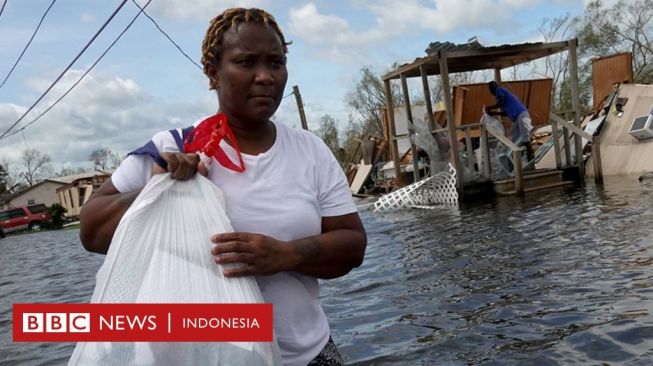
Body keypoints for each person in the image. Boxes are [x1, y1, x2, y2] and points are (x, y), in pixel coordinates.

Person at [79, 8, 367, 366]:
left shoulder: (310, 151)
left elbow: (353, 244)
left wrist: (286, 254)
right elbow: (91, 232)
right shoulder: (173, 148)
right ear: (213, 73)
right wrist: (154, 191)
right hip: (205, 356)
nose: (265, 77)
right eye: (246, 62)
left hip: (308, 355)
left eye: (275, 63)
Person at [485, 81, 534, 161]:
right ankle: (518, 159)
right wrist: (493, 113)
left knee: (525, 137)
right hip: (516, 117)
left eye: (490, 89)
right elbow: (505, 113)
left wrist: (490, 107)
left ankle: (530, 157)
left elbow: (500, 103)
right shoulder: (501, 97)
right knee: (515, 140)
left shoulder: (499, 90)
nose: (490, 91)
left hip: (521, 114)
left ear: (492, 88)